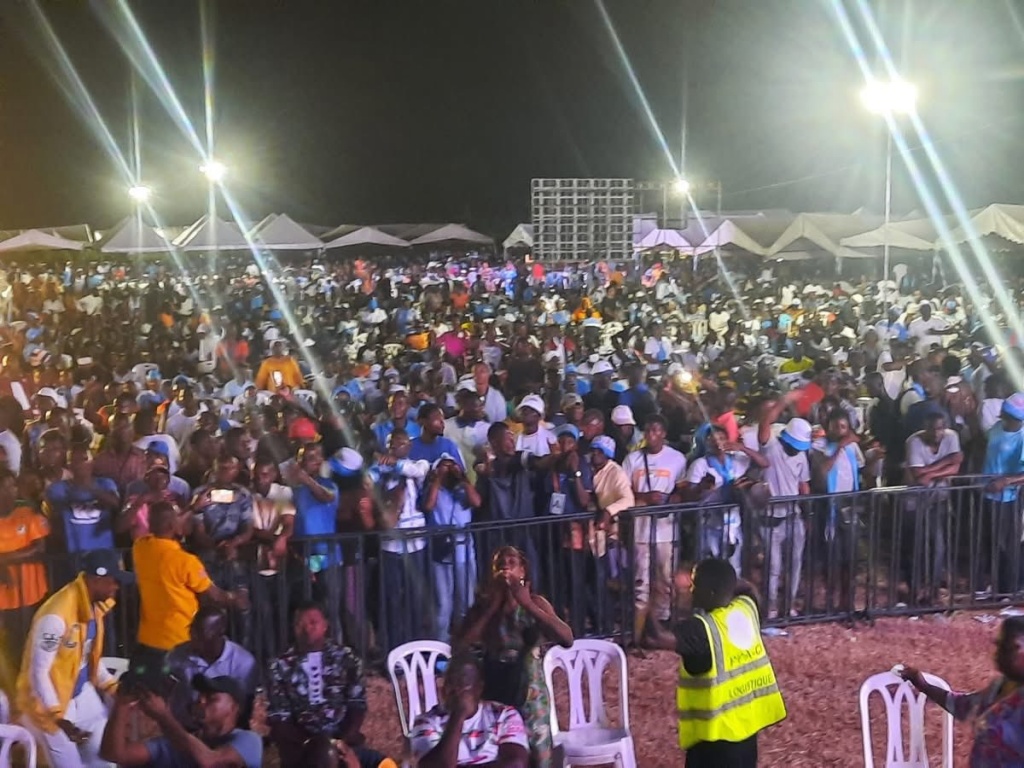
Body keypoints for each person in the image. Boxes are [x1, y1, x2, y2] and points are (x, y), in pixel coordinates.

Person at [649, 558, 786, 767]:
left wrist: (647, 599)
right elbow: (748, 587)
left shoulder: (701, 630)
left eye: (696, 586)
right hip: (746, 734)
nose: (692, 591)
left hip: (714, 742)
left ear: (711, 593)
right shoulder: (746, 607)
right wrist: (727, 582)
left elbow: (654, 637)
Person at [455, 546, 573, 768]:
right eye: (500, 564)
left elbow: (567, 639)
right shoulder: (483, 607)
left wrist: (526, 603)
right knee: (504, 757)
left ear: (523, 571)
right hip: (495, 694)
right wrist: (493, 607)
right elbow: (461, 645)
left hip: (530, 693)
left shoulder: (536, 602)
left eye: (512, 562)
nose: (505, 566)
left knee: (539, 757)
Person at [16, 549, 132, 768]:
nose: (116, 587)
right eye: (113, 581)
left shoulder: (94, 607)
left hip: (81, 694)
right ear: (97, 579)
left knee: (105, 761)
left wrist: (115, 689)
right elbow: (38, 673)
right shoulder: (56, 616)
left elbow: (87, 660)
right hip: (51, 705)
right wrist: (59, 718)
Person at [267, 601, 393, 768]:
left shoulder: (346, 658)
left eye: (313, 623)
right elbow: (280, 717)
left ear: (325, 625)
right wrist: (310, 743)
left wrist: (342, 740)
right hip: (300, 743)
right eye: (300, 624)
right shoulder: (280, 665)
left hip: (343, 737)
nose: (306, 629)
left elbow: (357, 704)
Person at [133, 501, 249, 665]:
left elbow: (164, 522)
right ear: (173, 525)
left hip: (148, 639)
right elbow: (215, 597)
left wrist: (192, 508)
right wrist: (236, 597)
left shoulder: (139, 548)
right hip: (179, 641)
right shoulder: (185, 562)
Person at [899, 616, 1024, 766]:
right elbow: (962, 705)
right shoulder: (999, 686)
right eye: (998, 645)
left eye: (1009, 647)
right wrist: (923, 685)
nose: (998, 653)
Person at [100, 674, 263, 768]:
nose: (201, 701)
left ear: (235, 707)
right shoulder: (173, 741)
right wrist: (121, 705)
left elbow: (211, 762)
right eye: (200, 696)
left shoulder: (248, 740)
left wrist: (163, 716)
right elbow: (115, 754)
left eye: (211, 698)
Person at [622, 414, 687, 642]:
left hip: (666, 529)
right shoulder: (633, 460)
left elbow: (682, 490)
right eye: (648, 430)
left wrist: (670, 503)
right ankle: (640, 632)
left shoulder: (677, 459)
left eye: (656, 431)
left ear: (664, 434)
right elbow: (625, 492)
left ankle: (661, 624)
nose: (652, 435)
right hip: (640, 529)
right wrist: (645, 497)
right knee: (641, 581)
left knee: (666, 579)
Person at [411, 653, 529, 768]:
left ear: (479, 688)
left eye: (463, 683)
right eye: (450, 683)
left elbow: (516, 763)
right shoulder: (427, 722)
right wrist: (458, 715)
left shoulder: (504, 714)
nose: (456, 690)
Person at [422, 452, 482, 642]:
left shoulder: (463, 489)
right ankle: (440, 647)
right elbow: (429, 506)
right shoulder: (433, 489)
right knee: (443, 604)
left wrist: (462, 478)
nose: (449, 469)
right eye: (444, 466)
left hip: (464, 553)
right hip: (441, 553)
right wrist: (438, 479)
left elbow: (477, 502)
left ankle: (467, 644)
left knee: (467, 602)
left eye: (452, 465)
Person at [165, 607, 258, 730]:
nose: (193, 637)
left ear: (220, 633)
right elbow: (166, 689)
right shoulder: (177, 655)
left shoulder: (243, 662)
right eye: (191, 630)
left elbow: (244, 708)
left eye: (200, 633)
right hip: (184, 730)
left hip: (224, 733)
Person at [0, 467, 50, 676]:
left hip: (31, 594)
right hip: (5, 599)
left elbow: (39, 548)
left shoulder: (27, 512)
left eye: (14, 485)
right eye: (8, 486)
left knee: (31, 644)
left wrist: (6, 559)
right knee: (9, 648)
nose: (13, 490)